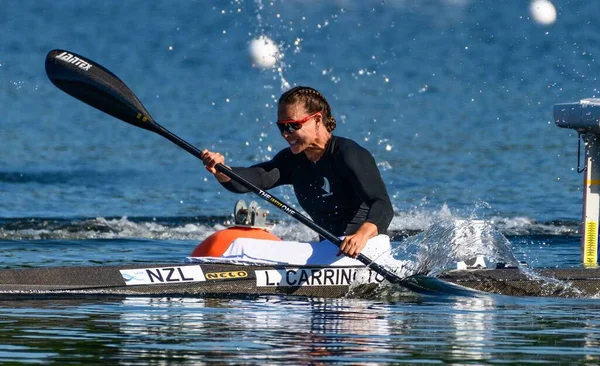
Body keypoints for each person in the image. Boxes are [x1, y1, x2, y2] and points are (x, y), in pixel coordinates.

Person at [200, 86, 394, 258]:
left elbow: (382, 205)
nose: (286, 134)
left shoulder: (349, 154)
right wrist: (222, 170)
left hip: (364, 251)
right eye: (281, 127)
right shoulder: (291, 160)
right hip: (329, 250)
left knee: (241, 248)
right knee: (241, 245)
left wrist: (361, 235)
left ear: (317, 119)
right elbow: (254, 179)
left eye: (293, 125)